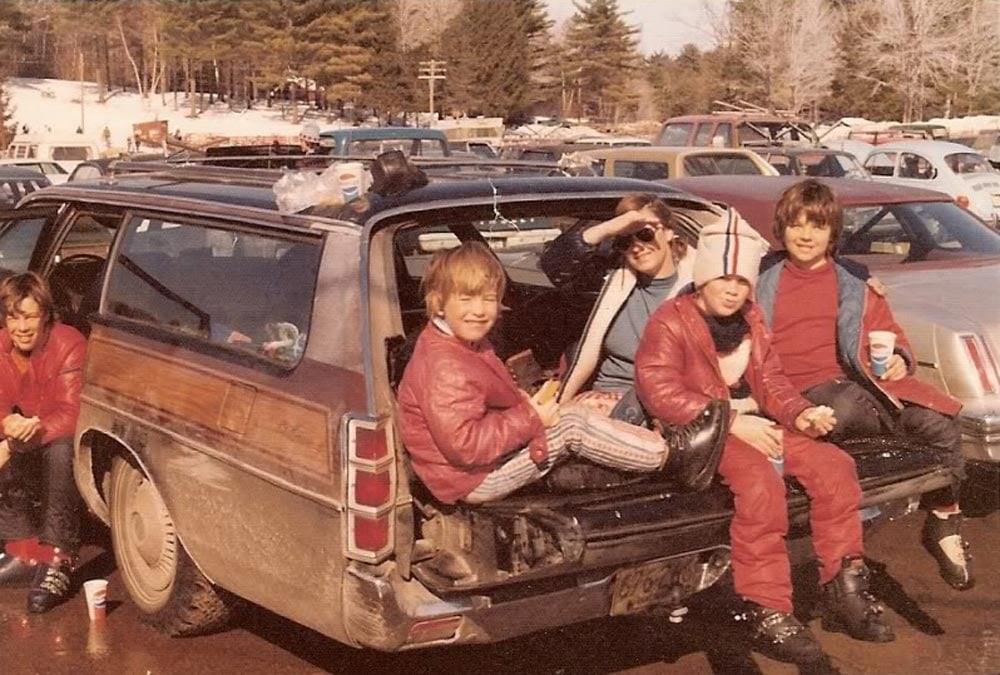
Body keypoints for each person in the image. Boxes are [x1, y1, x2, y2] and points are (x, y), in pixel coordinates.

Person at [635, 217, 894, 664]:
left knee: (834, 467)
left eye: (742, 280)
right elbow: (657, 389)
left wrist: (802, 414)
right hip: (697, 434)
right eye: (724, 278)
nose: (733, 289)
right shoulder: (672, 319)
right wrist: (729, 421)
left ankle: (843, 586)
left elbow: (771, 381)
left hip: (754, 424)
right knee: (759, 484)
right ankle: (766, 607)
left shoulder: (751, 319)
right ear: (704, 276)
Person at [755, 178, 973, 590]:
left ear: (832, 233)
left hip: (862, 391)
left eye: (817, 226)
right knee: (848, 406)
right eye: (797, 224)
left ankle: (945, 521)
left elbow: (891, 334)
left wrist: (898, 359)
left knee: (944, 422)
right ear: (781, 228)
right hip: (796, 396)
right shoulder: (759, 278)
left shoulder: (854, 284)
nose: (805, 235)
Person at [397, 242, 697, 505]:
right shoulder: (444, 365)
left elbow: (489, 406)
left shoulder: (465, 343)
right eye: (466, 299)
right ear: (438, 303)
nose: (479, 310)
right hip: (472, 479)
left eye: (488, 299)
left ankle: (653, 441)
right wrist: (533, 417)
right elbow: (466, 446)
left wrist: (535, 405)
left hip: (479, 463)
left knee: (579, 408)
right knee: (573, 426)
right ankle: (674, 457)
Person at [540, 193, 727, 490]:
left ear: (668, 232)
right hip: (595, 403)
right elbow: (554, 264)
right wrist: (615, 227)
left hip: (649, 408)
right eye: (627, 241)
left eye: (645, 233)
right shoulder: (616, 278)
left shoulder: (698, 289)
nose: (637, 246)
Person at [0, 272, 87, 613]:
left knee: (61, 449)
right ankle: (23, 550)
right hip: (29, 435)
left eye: (30, 316)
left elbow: (71, 415)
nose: (20, 327)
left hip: (65, 444)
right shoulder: (2, 347)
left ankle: (57, 557)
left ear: (46, 316)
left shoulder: (69, 343)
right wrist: (8, 423)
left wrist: (15, 442)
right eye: (13, 316)